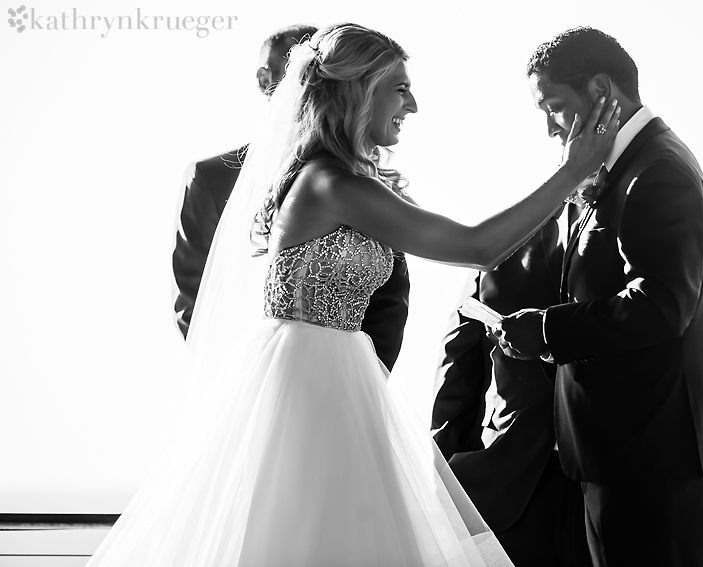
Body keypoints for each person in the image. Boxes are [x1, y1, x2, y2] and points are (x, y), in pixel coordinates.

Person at [86, 23, 621, 566]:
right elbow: (475, 246)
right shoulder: (331, 183)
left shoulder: (345, 177)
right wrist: (573, 170)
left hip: (337, 375)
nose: (413, 105)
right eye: (400, 88)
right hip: (308, 387)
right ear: (357, 90)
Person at [431, 213, 703, 563]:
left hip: (655, 498)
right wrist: (443, 484)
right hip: (509, 499)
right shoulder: (502, 238)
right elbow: (460, 362)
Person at [497, 27, 703, 566]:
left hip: (650, 456)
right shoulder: (627, 166)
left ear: (602, 89)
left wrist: (548, 330)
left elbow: (661, 303)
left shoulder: (658, 170)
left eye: (554, 107)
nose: (549, 127)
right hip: (624, 451)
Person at [171, 24, 411, 370]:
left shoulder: (365, 179)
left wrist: (364, 377)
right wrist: (238, 388)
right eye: (295, 76)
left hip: (345, 373)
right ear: (264, 79)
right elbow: (194, 295)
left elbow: (389, 299)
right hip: (249, 379)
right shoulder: (211, 178)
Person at [431, 203, 593, 567]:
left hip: (622, 483)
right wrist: (441, 469)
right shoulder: (508, 240)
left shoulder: (673, 242)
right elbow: (461, 358)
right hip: (506, 479)